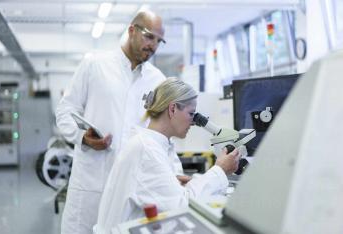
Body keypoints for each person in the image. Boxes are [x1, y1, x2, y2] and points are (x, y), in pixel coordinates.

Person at [55, 10, 168, 234]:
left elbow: (162, 136)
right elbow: (65, 110)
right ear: (132, 31)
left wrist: (171, 172)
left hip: (132, 188)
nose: (153, 46)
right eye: (148, 36)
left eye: (158, 41)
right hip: (91, 183)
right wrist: (82, 138)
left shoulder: (157, 81)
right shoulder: (95, 65)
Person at [94, 77, 240, 233]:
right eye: (191, 114)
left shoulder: (155, 144)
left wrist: (172, 182)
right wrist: (220, 170)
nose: (193, 122)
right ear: (172, 109)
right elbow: (182, 206)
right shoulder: (147, 150)